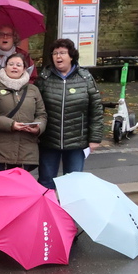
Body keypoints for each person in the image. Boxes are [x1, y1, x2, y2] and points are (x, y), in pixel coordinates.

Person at [36, 39, 103, 189]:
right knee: (46, 181)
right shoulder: (44, 78)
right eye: (55, 53)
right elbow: (36, 106)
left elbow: (96, 110)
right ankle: (48, 205)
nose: (58, 56)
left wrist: (95, 138)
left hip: (77, 141)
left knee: (73, 184)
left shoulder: (85, 78)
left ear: (71, 56)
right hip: (49, 140)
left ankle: (69, 206)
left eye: (62, 53)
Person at [0, 53, 47, 172]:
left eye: (18, 65)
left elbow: (42, 115)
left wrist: (38, 128)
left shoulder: (33, 90)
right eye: (11, 64)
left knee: (21, 184)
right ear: (5, 67)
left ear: (24, 69)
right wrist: (11, 125)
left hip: (27, 152)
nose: (14, 67)